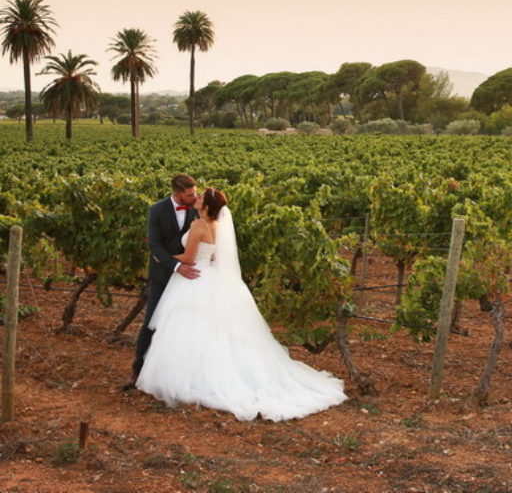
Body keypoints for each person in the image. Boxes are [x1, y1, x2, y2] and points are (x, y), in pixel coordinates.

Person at [135, 187, 347, 421]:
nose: (196, 198)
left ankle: (193, 378)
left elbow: (188, 258)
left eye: (201, 197)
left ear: (206, 206)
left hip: (195, 277)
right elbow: (213, 253)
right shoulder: (215, 225)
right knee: (213, 332)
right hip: (211, 276)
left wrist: (161, 258)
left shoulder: (198, 225)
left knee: (192, 329)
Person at [125, 174, 200, 390]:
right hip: (163, 275)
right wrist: (178, 266)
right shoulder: (156, 210)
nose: (194, 197)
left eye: (195, 193)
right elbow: (155, 246)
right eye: (190, 194)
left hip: (190, 278)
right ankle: (137, 371)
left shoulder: (197, 208)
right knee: (152, 322)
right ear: (177, 194)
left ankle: (179, 375)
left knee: (186, 325)